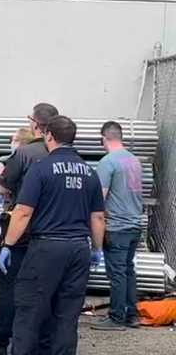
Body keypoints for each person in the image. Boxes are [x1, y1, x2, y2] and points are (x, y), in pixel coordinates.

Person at [0, 115, 106, 355]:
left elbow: (23, 212)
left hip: (47, 248)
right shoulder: (89, 173)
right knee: (67, 314)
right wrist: (97, 249)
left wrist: (8, 244)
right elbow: (98, 217)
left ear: (49, 136)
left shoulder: (41, 169)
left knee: (30, 310)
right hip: (79, 249)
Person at [0, 102, 59, 355]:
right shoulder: (62, 155)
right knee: (45, 291)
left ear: (34, 123)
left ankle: (0, 344)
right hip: (50, 234)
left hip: (20, 230)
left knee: (11, 289)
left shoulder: (25, 154)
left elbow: (3, 186)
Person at [91, 121, 144, 331]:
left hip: (117, 226)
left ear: (104, 138)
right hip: (134, 225)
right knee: (128, 271)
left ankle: (116, 317)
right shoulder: (134, 160)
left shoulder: (107, 162)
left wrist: (95, 230)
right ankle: (132, 315)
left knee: (117, 273)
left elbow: (99, 198)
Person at [0, 127, 35, 199]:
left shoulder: (5, 161)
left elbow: (1, 189)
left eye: (15, 140)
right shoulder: (35, 159)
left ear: (24, 142)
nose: (12, 143)